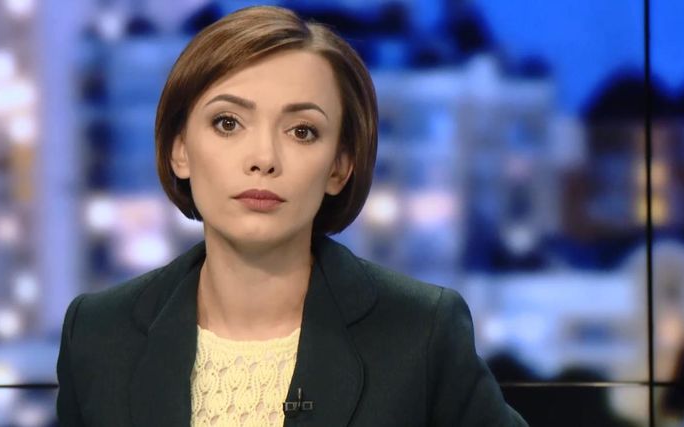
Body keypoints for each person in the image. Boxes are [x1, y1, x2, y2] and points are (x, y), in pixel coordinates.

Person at [56, 5, 528, 426]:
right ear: (180, 150)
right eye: (227, 123)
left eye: (302, 131)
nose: (264, 158)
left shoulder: (421, 331)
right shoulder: (98, 334)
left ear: (339, 167)